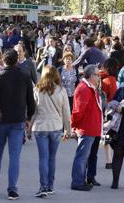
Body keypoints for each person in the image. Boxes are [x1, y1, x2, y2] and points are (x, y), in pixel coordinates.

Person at [0, 49, 36, 200]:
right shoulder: (24, 77)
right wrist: (28, 117)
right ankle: (12, 189)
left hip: (0, 120)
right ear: (17, 60)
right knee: (14, 156)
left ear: (4, 61)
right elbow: (31, 101)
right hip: (18, 120)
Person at [29, 65, 72, 198]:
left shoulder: (37, 89)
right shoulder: (61, 91)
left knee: (43, 157)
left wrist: (29, 128)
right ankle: (50, 186)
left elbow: (33, 111)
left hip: (40, 127)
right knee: (52, 158)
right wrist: (68, 130)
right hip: (56, 126)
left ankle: (43, 187)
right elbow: (66, 112)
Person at [70, 64, 102, 191]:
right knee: (82, 157)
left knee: (84, 157)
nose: (99, 77)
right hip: (86, 128)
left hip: (90, 128)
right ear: (90, 75)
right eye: (97, 74)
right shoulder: (84, 88)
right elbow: (78, 111)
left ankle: (81, 180)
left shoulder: (89, 87)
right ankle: (77, 182)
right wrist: (73, 126)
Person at [98, 58, 119, 170]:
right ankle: (110, 161)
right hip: (109, 111)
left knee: (105, 136)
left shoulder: (100, 77)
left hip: (99, 109)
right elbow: (114, 97)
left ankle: (109, 161)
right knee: (111, 136)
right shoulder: (110, 80)